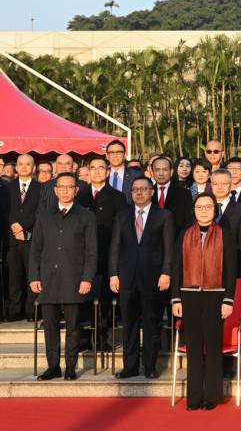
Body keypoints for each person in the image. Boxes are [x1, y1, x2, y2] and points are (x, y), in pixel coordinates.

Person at [29, 173, 98, 381]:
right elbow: (35, 250)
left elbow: (91, 252)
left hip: (74, 279)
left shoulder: (86, 216)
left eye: (70, 187)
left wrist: (87, 278)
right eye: (62, 187)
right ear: (55, 190)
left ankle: (70, 366)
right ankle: (53, 366)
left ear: (76, 190)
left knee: (73, 327)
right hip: (48, 279)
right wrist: (34, 276)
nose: (66, 190)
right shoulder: (44, 216)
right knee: (49, 326)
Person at [171, 193, 236, 410]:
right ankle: (194, 397)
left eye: (208, 206)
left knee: (213, 347)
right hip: (188, 296)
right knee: (194, 348)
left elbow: (230, 270)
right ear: (194, 210)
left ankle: (211, 396)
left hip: (215, 296)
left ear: (215, 210)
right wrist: (175, 299)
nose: (204, 210)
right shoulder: (184, 235)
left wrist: (228, 300)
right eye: (200, 207)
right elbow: (176, 268)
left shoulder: (225, 235)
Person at [108, 177, 175, 379]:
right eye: (135, 189)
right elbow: (115, 248)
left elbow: (169, 248)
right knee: (129, 325)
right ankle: (130, 366)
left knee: (151, 322)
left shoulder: (164, 216)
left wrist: (166, 272)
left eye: (143, 189)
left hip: (153, 279)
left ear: (151, 192)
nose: (139, 193)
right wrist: (113, 274)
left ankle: (150, 366)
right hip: (127, 279)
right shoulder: (122, 216)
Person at [75, 157, 126, 349]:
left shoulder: (117, 197)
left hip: (106, 256)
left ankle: (102, 338)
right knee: (81, 299)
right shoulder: (80, 195)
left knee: (104, 301)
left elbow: (120, 229)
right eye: (93, 168)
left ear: (107, 172)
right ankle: (82, 338)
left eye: (101, 168)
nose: (97, 171)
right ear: (88, 171)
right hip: (80, 257)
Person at [5, 154, 43, 321]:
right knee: (13, 277)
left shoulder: (41, 188)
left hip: (31, 239)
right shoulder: (7, 187)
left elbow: (40, 212)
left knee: (32, 276)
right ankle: (14, 311)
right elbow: (4, 210)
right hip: (12, 240)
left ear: (33, 167)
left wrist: (23, 226)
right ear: (16, 167)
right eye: (21, 164)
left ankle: (30, 311)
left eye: (28, 164)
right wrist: (14, 225)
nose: (24, 167)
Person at [151, 156, 194, 232]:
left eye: (165, 170)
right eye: (157, 170)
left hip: (176, 240)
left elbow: (188, 222)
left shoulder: (184, 193)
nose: (161, 173)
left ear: (171, 172)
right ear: (152, 172)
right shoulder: (147, 192)